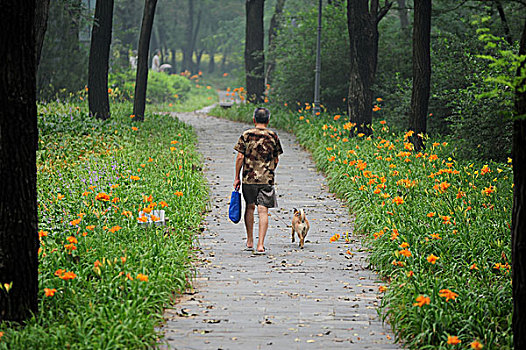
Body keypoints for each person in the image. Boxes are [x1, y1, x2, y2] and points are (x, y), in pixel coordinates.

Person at [233, 107, 283, 254]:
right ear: (268, 120)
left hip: (248, 178)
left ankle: (250, 241)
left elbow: (240, 157)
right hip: (266, 179)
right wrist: (270, 170)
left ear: (254, 119)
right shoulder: (273, 136)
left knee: (250, 207)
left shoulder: (246, 135)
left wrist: (237, 177)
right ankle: (260, 244)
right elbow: (276, 158)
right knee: (263, 211)